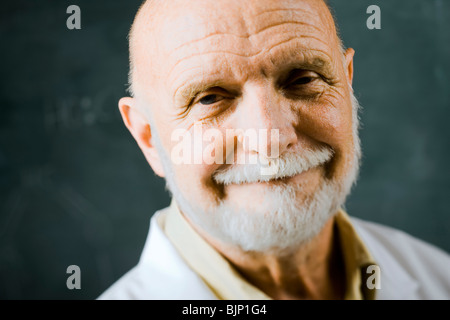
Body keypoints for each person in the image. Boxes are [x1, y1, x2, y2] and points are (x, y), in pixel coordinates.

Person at [99, 0, 450, 300]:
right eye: (210, 98)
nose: (270, 137)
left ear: (347, 83)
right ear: (149, 138)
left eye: (303, 78)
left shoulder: (439, 278)